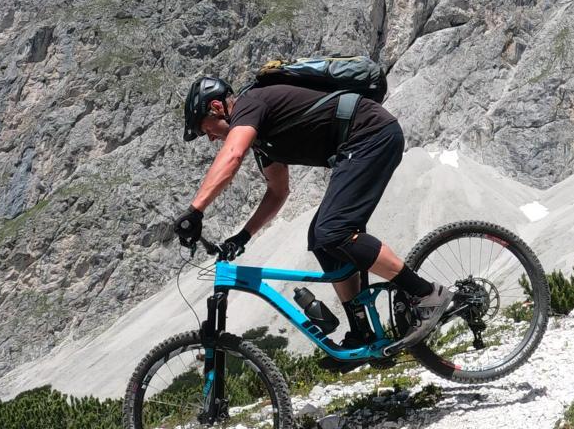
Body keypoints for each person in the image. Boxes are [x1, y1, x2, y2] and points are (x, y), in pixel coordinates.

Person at [171, 76, 453, 370]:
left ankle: (426, 293)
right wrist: (243, 236)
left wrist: (195, 210)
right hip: (356, 147)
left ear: (217, 107)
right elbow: (278, 191)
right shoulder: (262, 141)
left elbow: (232, 155)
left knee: (333, 231)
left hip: (371, 135)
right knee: (320, 238)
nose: (210, 138)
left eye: (206, 129)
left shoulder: (250, 104)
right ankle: (362, 334)